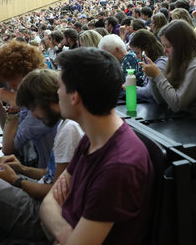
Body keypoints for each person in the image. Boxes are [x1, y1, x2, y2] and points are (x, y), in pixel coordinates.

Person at [0, 69, 83, 244]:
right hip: (39, 193)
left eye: (33, 108)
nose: (32, 115)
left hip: (40, 214)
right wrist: (21, 169)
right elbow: (53, 176)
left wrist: (16, 180)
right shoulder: (65, 124)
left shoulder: (70, 129)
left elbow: (53, 191)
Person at [39, 48, 154, 245]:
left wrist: (63, 229)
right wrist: (67, 233)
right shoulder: (93, 137)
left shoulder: (118, 167)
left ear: (74, 97)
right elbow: (47, 203)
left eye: (59, 87)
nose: (57, 94)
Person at [0, 40, 56, 168]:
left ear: (29, 71)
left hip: (43, 177)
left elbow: (8, 148)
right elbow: (11, 135)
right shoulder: (30, 99)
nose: (10, 85)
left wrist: (16, 102)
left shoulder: (41, 106)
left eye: (13, 78)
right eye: (7, 79)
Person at [142, 20, 196, 115]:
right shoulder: (177, 60)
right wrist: (152, 77)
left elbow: (177, 104)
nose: (164, 51)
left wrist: (158, 75)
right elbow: (161, 100)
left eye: (168, 46)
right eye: (164, 46)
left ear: (181, 45)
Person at [129, 29, 168, 103]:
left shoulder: (161, 64)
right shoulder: (151, 62)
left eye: (137, 53)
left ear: (146, 50)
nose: (137, 57)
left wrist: (130, 89)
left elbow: (149, 92)